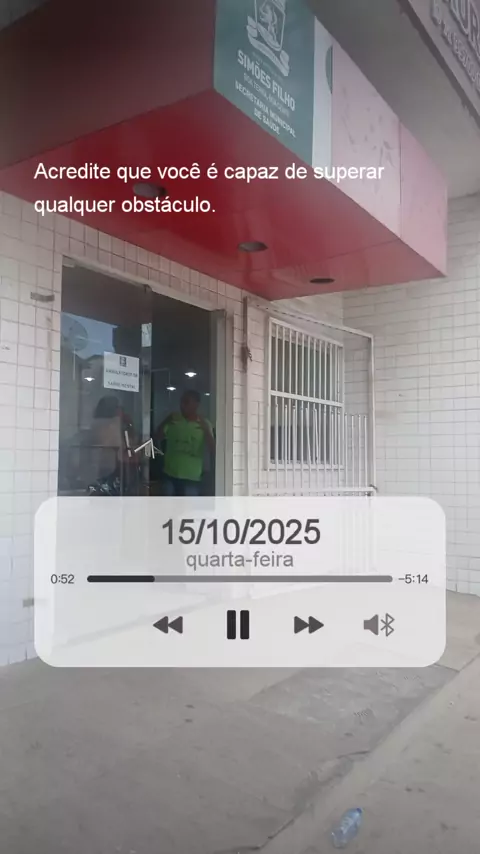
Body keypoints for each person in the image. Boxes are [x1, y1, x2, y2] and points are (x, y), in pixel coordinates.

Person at [156, 390, 214, 497]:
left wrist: (206, 430)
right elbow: (157, 437)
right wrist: (166, 420)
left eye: (186, 402)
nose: (182, 406)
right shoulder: (173, 421)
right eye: (181, 402)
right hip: (170, 474)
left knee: (189, 507)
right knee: (166, 506)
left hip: (191, 477)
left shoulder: (204, 424)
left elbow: (213, 449)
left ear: (196, 404)